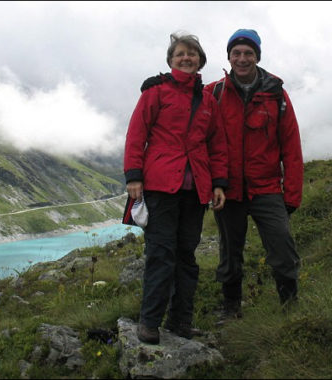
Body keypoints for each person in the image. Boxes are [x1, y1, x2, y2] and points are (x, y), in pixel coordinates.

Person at [124, 32, 228, 344]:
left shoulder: (208, 101)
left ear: (200, 61)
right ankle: (150, 322)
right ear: (171, 60)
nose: (186, 58)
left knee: (186, 255)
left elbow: (217, 145)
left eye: (192, 54)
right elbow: (136, 133)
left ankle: (181, 322)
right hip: (159, 187)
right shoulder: (155, 91)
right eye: (180, 53)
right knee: (161, 253)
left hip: (195, 190)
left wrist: (219, 184)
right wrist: (133, 176)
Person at [203, 29, 304, 324]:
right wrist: (160, 83)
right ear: (229, 57)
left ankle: (290, 305)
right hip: (227, 189)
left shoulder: (276, 94)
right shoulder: (214, 93)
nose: (242, 58)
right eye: (237, 53)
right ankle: (231, 306)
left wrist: (292, 194)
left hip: (267, 189)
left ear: (257, 56)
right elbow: (185, 103)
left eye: (248, 53)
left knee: (282, 246)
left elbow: (291, 145)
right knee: (229, 252)